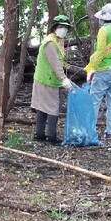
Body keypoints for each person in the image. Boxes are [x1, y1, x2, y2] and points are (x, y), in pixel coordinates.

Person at [86, 3, 111, 142]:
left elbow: (101, 51)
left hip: (104, 70)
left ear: (104, 18)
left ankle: (89, 131)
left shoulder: (104, 30)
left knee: (94, 101)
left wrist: (92, 68)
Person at [31, 15, 74, 144]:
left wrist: (76, 69)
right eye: (61, 27)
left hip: (46, 79)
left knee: (43, 107)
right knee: (53, 108)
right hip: (47, 80)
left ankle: (39, 134)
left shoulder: (58, 41)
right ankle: (51, 136)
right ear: (55, 28)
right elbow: (55, 64)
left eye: (66, 27)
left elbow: (61, 62)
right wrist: (64, 79)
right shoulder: (50, 43)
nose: (64, 30)